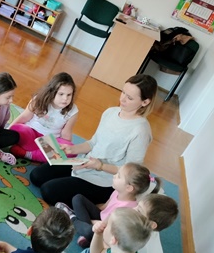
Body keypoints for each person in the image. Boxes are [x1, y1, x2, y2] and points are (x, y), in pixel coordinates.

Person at [31, 74, 158, 206]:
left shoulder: (141, 130)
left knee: (48, 191)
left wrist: (100, 166)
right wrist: (71, 149)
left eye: (130, 98)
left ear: (145, 102)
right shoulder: (110, 112)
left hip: (105, 181)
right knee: (37, 176)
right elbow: (93, 143)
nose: (122, 99)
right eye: (123, 92)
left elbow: (131, 172)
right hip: (85, 164)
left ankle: (100, 201)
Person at [58, 162, 162, 248]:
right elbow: (104, 207)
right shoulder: (116, 192)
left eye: (118, 176)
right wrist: (88, 212)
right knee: (78, 198)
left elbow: (108, 228)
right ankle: (83, 228)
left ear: (129, 188)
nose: (114, 176)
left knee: (90, 232)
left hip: (105, 229)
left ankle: (72, 218)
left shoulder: (128, 208)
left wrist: (89, 220)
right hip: (101, 219)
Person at [9, 72, 78, 162]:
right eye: (61, 94)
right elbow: (24, 117)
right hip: (31, 135)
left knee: (72, 150)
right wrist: (8, 131)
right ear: (52, 92)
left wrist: (65, 147)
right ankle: (42, 155)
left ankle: (29, 154)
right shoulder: (38, 99)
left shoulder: (73, 111)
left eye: (69, 95)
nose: (65, 99)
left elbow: (66, 135)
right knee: (18, 128)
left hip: (49, 142)